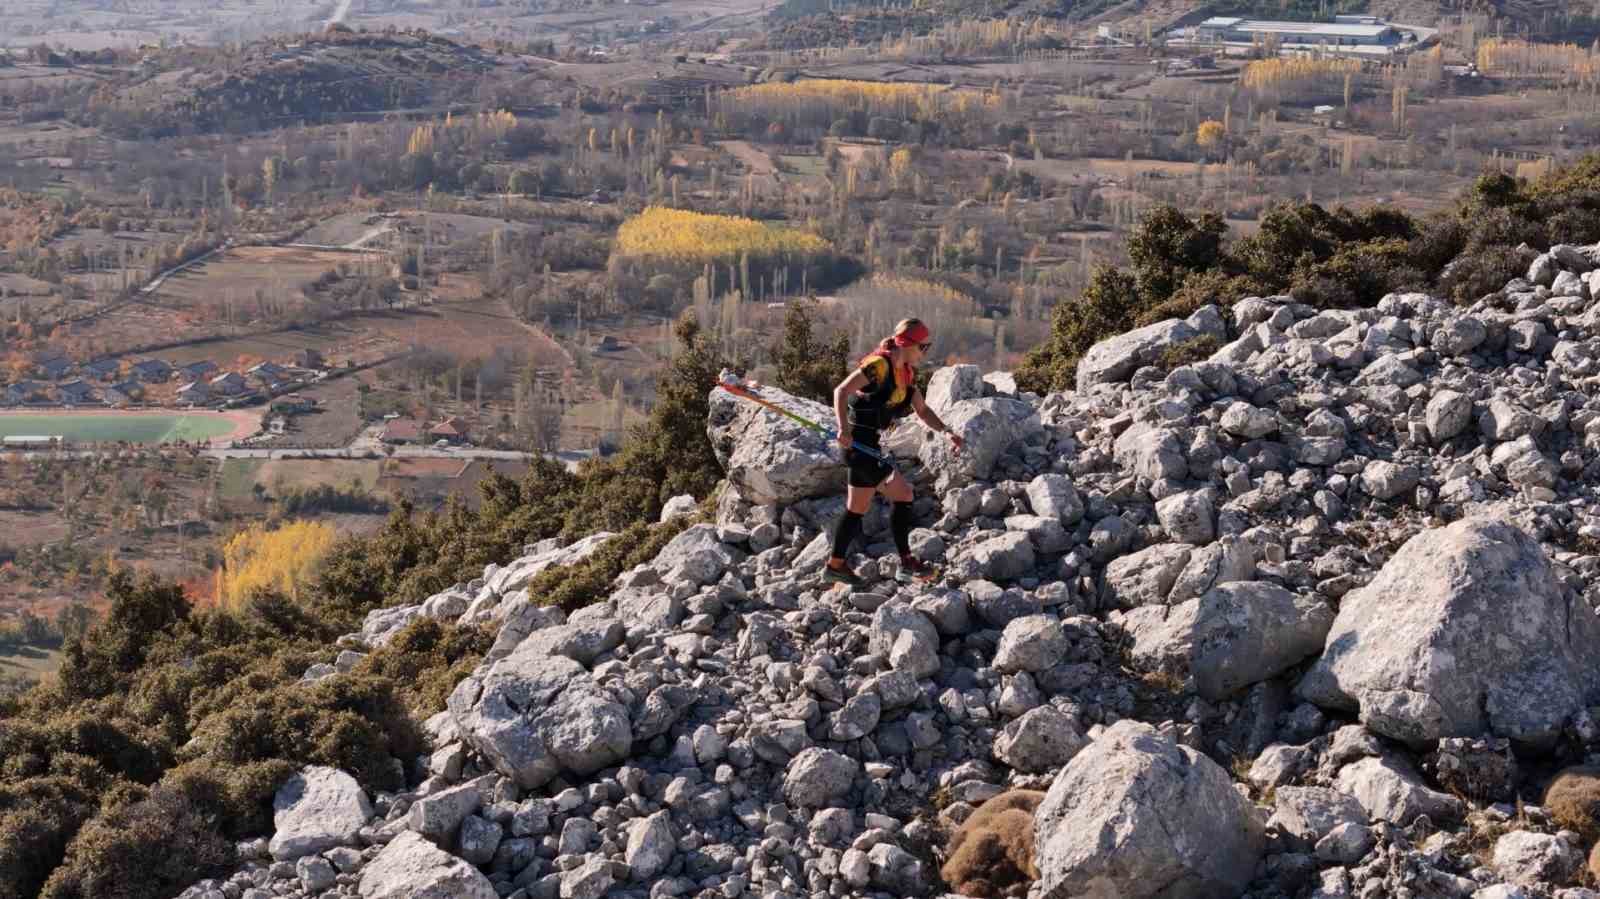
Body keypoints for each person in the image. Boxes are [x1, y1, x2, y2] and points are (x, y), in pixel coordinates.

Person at [823, 318, 963, 587]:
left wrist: (946, 431)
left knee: (856, 509)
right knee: (904, 494)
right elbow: (841, 391)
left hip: (869, 448)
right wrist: (843, 430)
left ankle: (835, 565)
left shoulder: (906, 375)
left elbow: (922, 410)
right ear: (908, 344)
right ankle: (907, 563)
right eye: (924, 346)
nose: (926, 352)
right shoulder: (879, 365)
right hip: (860, 447)